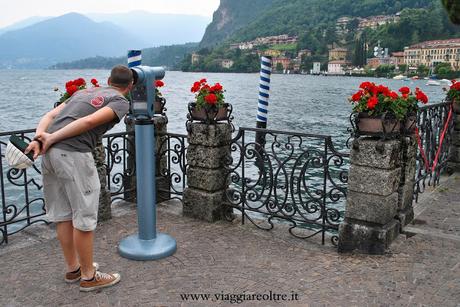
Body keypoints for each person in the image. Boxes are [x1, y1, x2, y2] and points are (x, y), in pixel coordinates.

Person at [25, 65, 133, 292]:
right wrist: (52, 138)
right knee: (84, 215)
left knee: (63, 214)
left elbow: (50, 115)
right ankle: (89, 276)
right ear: (130, 86)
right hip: (73, 155)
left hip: (50, 156)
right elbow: (88, 123)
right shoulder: (121, 102)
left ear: (107, 80)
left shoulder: (84, 92)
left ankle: (74, 268)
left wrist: (40, 139)